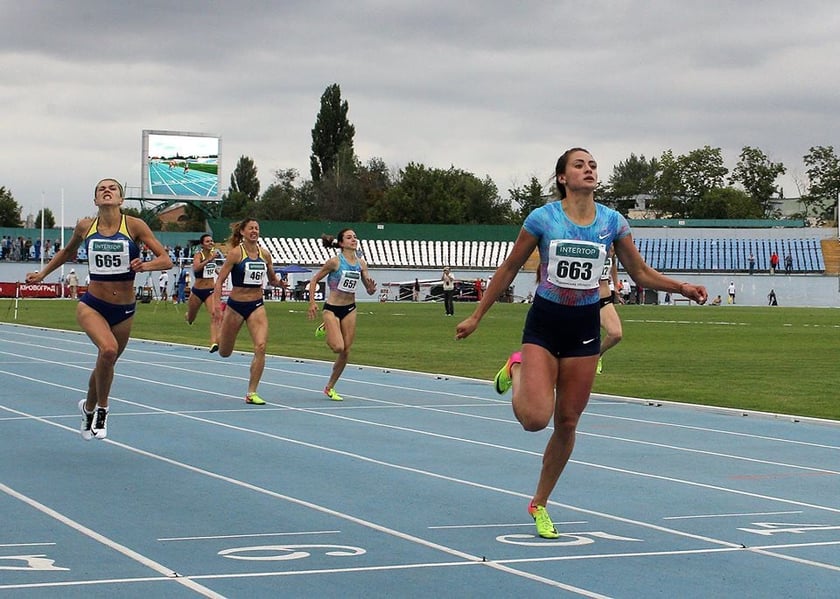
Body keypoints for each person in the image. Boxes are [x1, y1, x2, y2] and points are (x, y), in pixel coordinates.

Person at [455, 148, 707, 539]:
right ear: (562, 177)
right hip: (545, 325)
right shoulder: (543, 218)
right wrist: (477, 315)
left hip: (584, 329)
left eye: (592, 165)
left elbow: (640, 272)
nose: (588, 170)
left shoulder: (612, 222)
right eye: (579, 165)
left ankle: (539, 503)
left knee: (568, 422)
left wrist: (682, 287)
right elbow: (509, 267)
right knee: (535, 420)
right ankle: (517, 365)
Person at [26, 178, 172, 440]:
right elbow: (66, 252)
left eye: (112, 188)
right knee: (108, 350)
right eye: (101, 189)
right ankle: (103, 409)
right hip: (92, 304)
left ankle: (88, 408)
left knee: (106, 362)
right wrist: (43, 274)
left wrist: (145, 266)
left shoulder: (134, 225)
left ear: (121, 199)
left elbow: (166, 260)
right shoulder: (85, 226)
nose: (107, 190)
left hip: (124, 309)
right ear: (95, 200)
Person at [212, 218, 283, 405]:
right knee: (225, 352)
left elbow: (272, 279)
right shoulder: (236, 253)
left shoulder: (265, 254)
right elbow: (220, 281)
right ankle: (220, 336)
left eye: (257, 228)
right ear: (242, 232)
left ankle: (252, 392)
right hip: (235, 306)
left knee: (261, 346)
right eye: (250, 228)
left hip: (256, 305)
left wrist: (279, 283)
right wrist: (217, 306)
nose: (254, 231)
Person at [307, 229, 377, 401]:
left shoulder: (361, 264)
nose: (353, 239)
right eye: (349, 237)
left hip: (350, 308)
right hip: (332, 308)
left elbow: (368, 289)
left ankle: (330, 387)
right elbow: (314, 280)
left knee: (346, 351)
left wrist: (371, 289)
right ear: (341, 243)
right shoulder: (335, 262)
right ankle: (327, 326)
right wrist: (312, 302)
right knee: (337, 347)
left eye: (355, 237)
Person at [185, 233, 221, 352]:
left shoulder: (213, 254)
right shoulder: (198, 255)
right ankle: (188, 316)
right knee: (191, 318)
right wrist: (209, 259)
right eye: (207, 241)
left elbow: (213, 269)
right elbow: (196, 268)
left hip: (210, 290)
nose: (211, 243)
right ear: (202, 244)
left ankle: (214, 343)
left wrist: (220, 274)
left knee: (214, 315)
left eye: (211, 241)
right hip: (197, 291)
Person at [596, 249, 622, 375]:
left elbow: (613, 263)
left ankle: (597, 356)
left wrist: (616, 285)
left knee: (615, 334)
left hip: (604, 298)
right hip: (583, 299)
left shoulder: (612, 250)